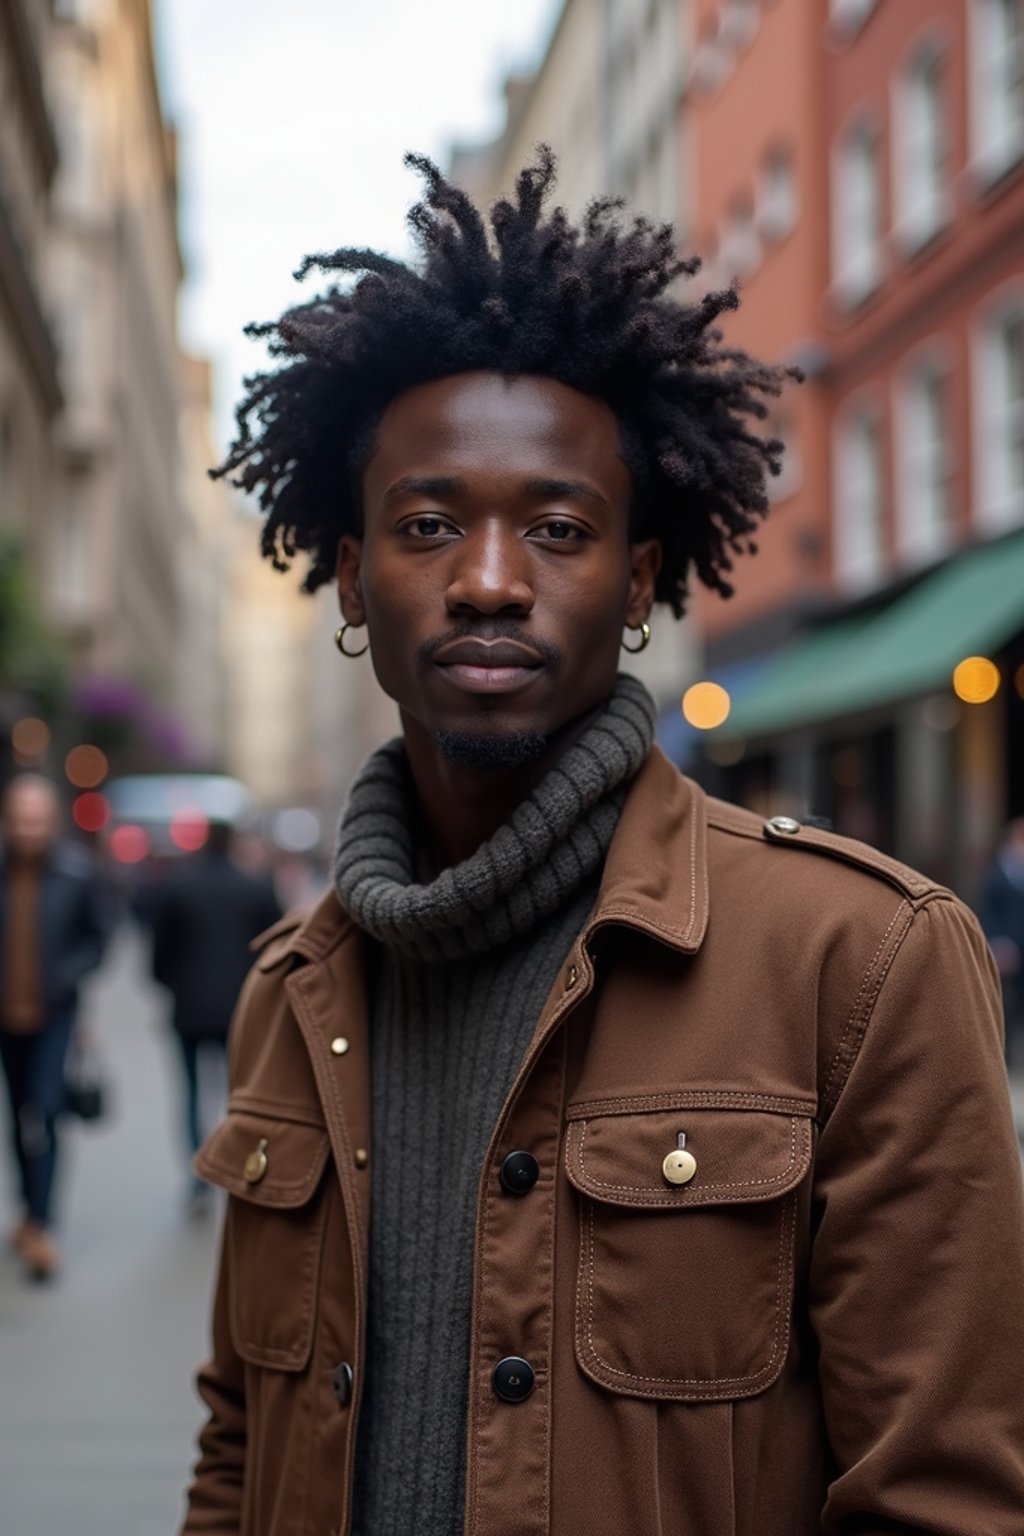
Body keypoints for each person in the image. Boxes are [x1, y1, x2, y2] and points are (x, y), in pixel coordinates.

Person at [182, 154, 1024, 1536]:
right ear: (350, 576)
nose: (492, 578)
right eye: (430, 523)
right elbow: (240, 1449)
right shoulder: (292, 992)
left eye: (559, 529)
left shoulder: (861, 962)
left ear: (640, 582)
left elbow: (945, 1496)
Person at [0, 774, 109, 1279]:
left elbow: (99, 938)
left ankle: (42, 1223)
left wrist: (68, 977)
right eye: (21, 817)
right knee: (18, 1113)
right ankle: (28, 1207)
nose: (29, 828)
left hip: (54, 1015)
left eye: (37, 818)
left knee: (44, 1112)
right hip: (7, 1018)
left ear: (53, 820)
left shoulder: (78, 873)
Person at [149, 820, 280, 1210]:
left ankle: (200, 1176)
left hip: (189, 1009)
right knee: (239, 1095)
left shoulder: (178, 887)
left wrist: (173, 984)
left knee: (190, 1094)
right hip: (240, 1010)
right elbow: (276, 945)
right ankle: (240, 1168)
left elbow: (158, 954)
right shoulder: (254, 887)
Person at [978, 815, 1024, 1068]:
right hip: (1006, 951)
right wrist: (997, 943)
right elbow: (988, 912)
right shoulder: (997, 875)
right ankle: (1004, 1059)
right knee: (1005, 1006)